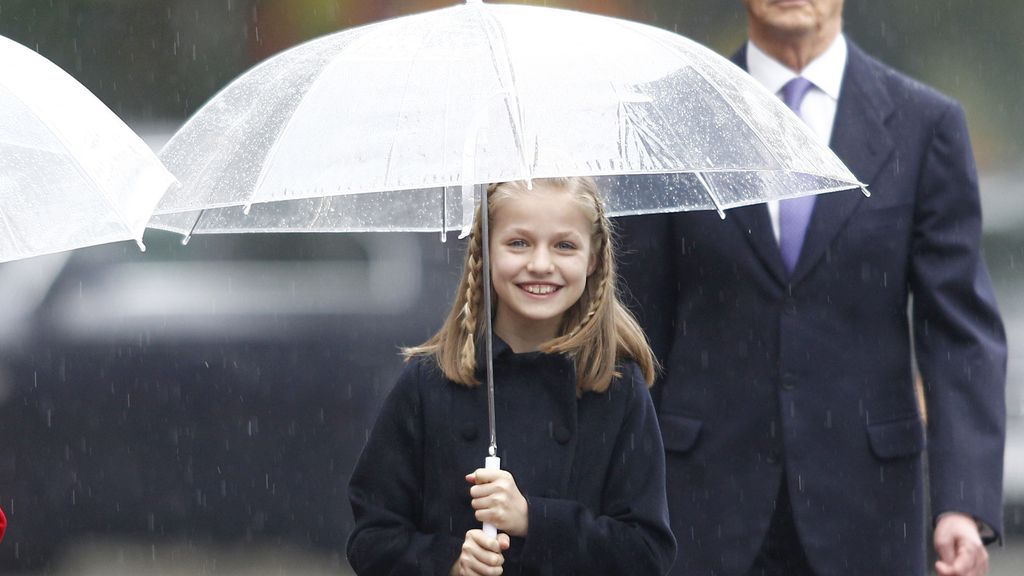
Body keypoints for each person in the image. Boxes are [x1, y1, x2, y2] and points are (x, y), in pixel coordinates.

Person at [618, 1, 1007, 575]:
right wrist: (618, 498)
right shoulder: (670, 119)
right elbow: (635, 325)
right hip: (701, 503)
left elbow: (958, 333)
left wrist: (962, 503)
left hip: (870, 506)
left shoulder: (925, 124)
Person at [347, 177, 677, 575]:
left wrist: (532, 519)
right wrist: (450, 562)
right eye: (518, 243)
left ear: (593, 259)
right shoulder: (428, 383)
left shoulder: (615, 387)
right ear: (483, 253)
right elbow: (372, 539)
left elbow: (646, 552)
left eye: (565, 245)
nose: (540, 264)